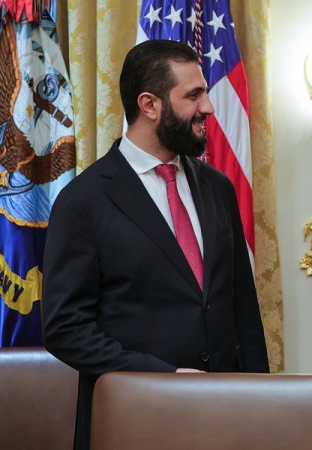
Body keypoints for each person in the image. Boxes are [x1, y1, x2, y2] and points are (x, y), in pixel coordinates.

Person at [42, 40, 269, 450]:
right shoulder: (83, 202)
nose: (209, 108)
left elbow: (242, 310)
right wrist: (162, 376)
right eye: (193, 95)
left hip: (225, 417)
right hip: (133, 418)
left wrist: (259, 402)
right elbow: (65, 329)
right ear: (150, 104)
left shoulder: (217, 187)